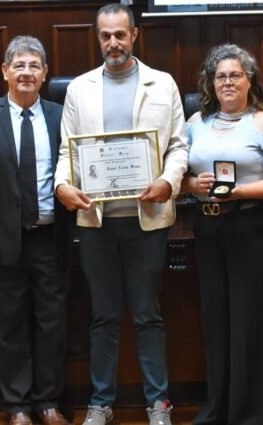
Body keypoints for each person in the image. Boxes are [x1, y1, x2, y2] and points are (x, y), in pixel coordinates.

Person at [53, 4, 188, 425]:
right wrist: (62, 186)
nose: (113, 42)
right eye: (105, 36)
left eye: (120, 35)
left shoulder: (162, 84)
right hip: (97, 223)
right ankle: (101, 402)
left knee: (148, 314)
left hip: (147, 221)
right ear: (97, 38)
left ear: (135, 36)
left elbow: (179, 146)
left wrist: (168, 180)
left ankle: (158, 403)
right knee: (103, 316)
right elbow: (66, 152)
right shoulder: (79, 88)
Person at [0, 36, 72, 425]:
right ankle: (18, 406)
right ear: (5, 72)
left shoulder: (62, 116)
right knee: (10, 325)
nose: (26, 72)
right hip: (2, 241)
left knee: (52, 324)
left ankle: (47, 402)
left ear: (44, 75)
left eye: (34, 66)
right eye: (18, 65)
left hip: (51, 238)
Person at [181, 44, 263, 425]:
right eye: (220, 76)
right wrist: (195, 183)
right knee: (216, 321)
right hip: (208, 227)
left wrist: (241, 191)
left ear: (250, 81)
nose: (227, 82)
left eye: (235, 75)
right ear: (210, 84)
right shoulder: (195, 122)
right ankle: (218, 410)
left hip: (250, 225)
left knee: (251, 321)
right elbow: (181, 176)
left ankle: (253, 415)